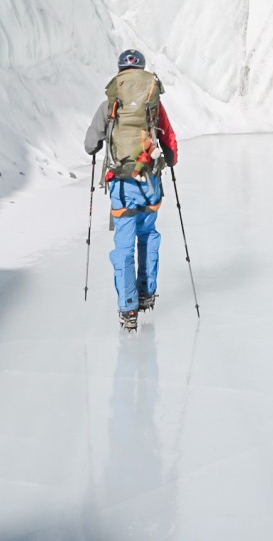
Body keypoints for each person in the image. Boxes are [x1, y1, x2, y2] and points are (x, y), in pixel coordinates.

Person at [84, 48, 178, 331]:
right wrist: (170, 160)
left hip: (122, 185)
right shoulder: (153, 103)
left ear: (120, 72)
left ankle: (128, 308)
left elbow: (90, 144)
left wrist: (102, 144)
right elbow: (170, 140)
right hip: (149, 182)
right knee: (148, 235)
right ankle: (146, 293)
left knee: (124, 245)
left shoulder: (110, 103)